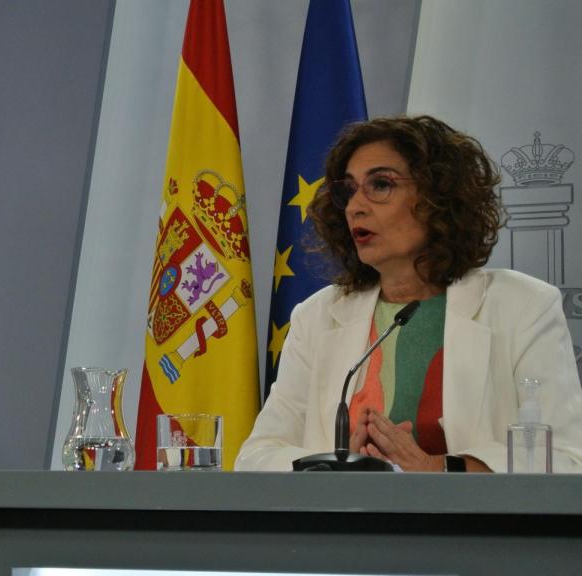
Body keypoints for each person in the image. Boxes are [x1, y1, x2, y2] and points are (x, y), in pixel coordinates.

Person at [237, 115, 582, 473]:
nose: (356, 206)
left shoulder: (522, 306)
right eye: (349, 191)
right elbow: (256, 457)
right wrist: (335, 466)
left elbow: (568, 460)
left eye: (381, 185)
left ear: (438, 196)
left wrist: (437, 468)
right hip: (345, 525)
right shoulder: (318, 316)